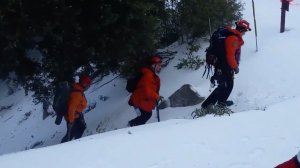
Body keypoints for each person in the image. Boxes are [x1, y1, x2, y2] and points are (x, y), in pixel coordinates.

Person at [200, 20, 251, 115]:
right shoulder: (233, 39)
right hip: (224, 64)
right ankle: (207, 106)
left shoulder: (232, 36)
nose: (245, 33)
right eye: (245, 31)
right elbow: (230, 56)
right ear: (242, 29)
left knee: (225, 85)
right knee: (227, 85)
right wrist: (235, 67)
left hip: (222, 63)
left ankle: (221, 102)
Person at [128, 55, 163, 126]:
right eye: (158, 65)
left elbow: (152, 89)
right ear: (153, 66)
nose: (160, 67)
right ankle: (130, 127)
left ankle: (132, 127)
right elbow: (148, 90)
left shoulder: (152, 76)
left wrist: (157, 96)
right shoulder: (148, 75)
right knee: (145, 115)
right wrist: (156, 97)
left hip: (140, 100)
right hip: (138, 100)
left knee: (145, 115)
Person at [61, 74, 92, 143]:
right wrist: (71, 121)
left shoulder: (77, 88)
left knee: (81, 127)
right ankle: (61, 148)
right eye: (88, 85)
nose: (89, 86)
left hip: (77, 115)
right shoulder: (77, 94)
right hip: (73, 117)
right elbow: (71, 108)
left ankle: (76, 143)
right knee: (70, 134)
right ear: (84, 84)